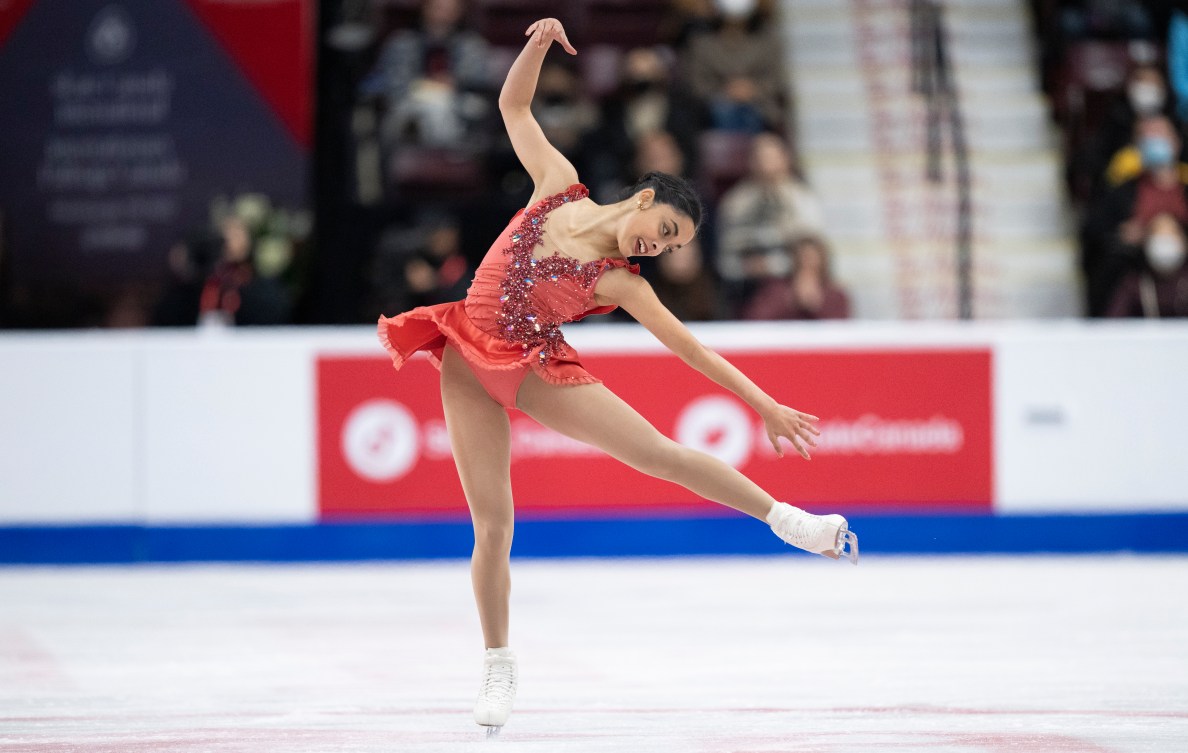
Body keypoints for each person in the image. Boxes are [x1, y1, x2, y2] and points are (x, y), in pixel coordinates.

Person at [376, 18, 858, 736]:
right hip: (467, 360)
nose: (658, 247)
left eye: (673, 247)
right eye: (664, 230)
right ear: (643, 198)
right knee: (494, 524)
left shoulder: (623, 284)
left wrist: (762, 402)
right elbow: (514, 109)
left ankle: (787, 520)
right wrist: (536, 47)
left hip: (535, 365)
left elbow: (692, 350)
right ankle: (499, 662)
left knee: (658, 453)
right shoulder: (557, 185)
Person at [742, 235, 850, 320]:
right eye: (802, 258)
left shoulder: (835, 295)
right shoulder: (776, 290)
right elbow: (755, 319)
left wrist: (816, 306)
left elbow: (840, 329)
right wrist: (790, 300)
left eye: (812, 259)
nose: (807, 264)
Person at [1106, 212, 1188, 316]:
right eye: (1158, 235)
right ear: (1146, 243)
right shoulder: (1134, 285)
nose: (1165, 242)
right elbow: (1113, 324)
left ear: (1184, 242)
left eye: (1172, 234)